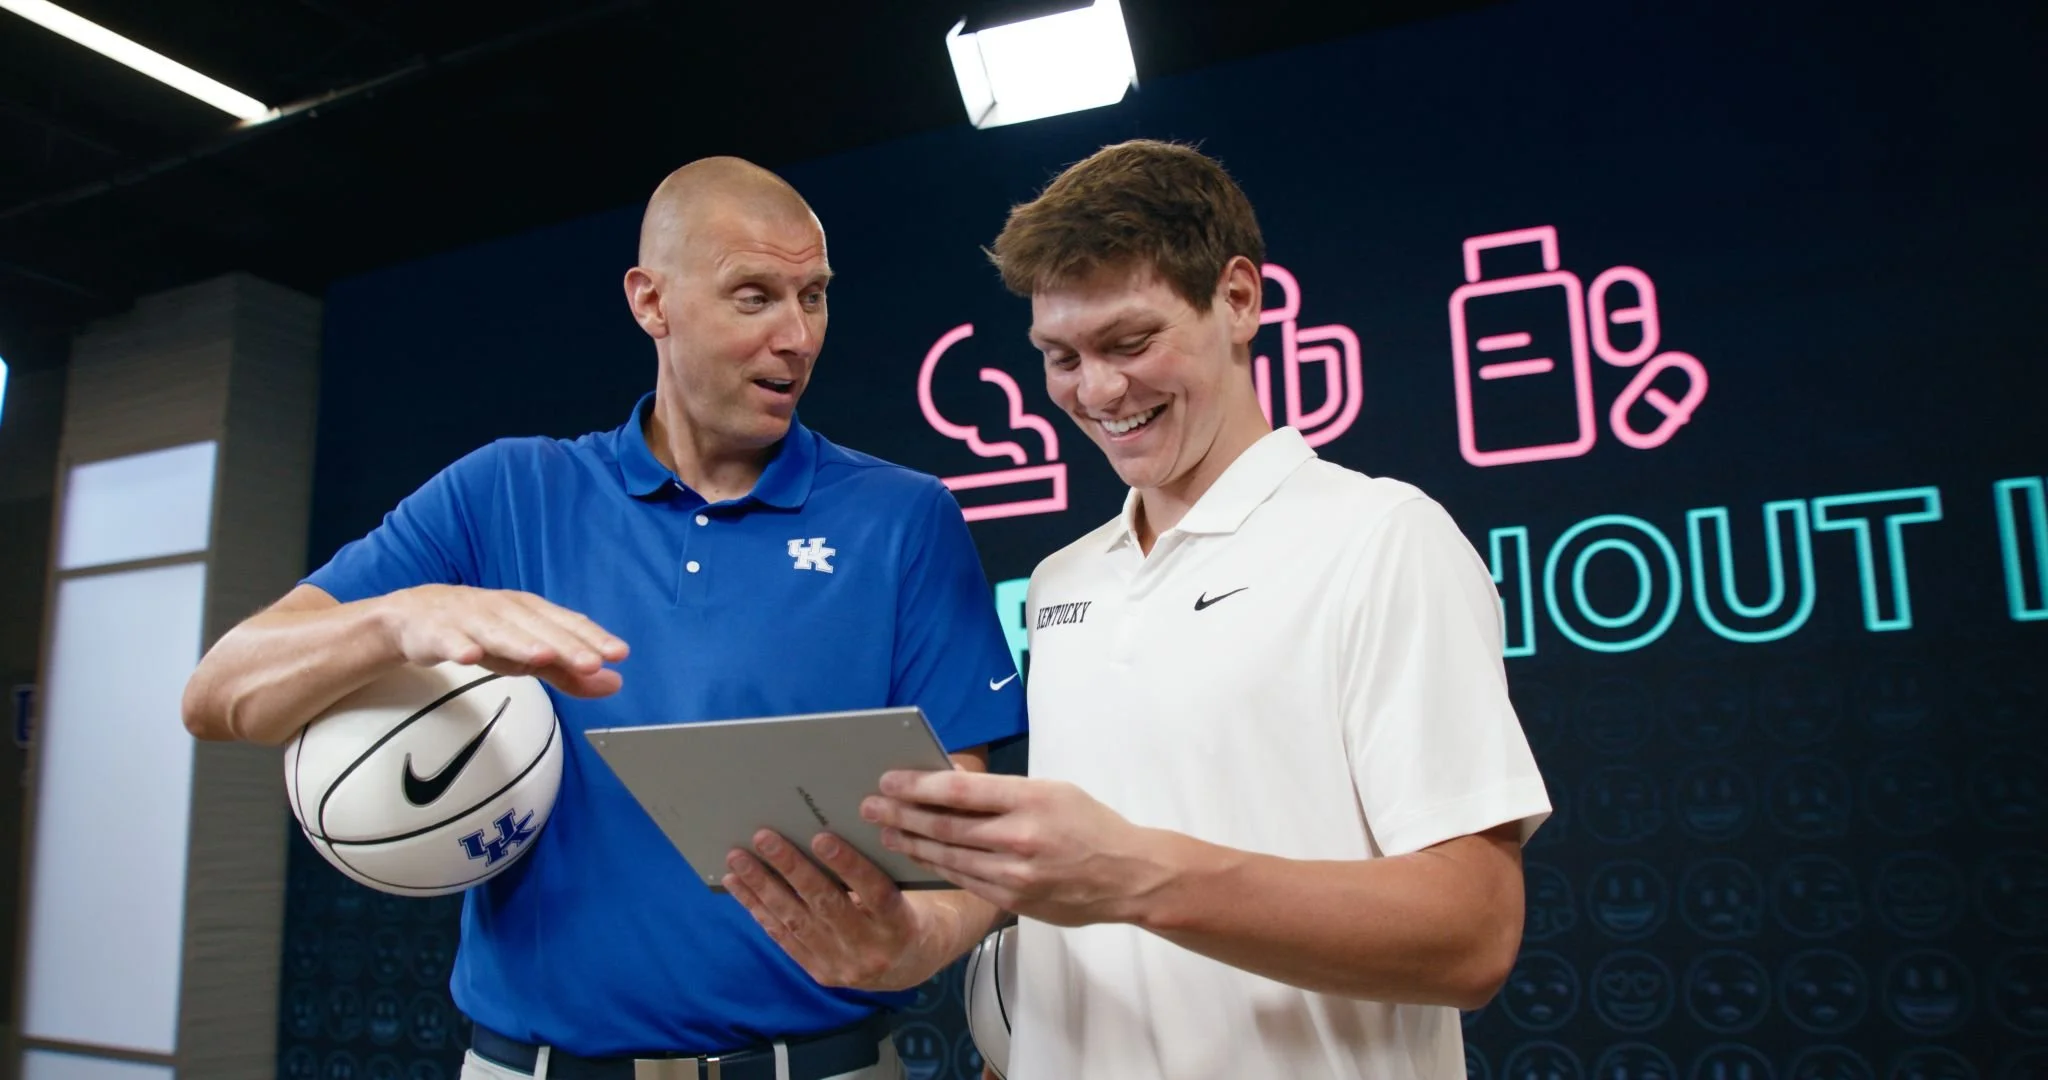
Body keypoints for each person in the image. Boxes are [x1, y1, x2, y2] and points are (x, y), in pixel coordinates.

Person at [181, 156, 1025, 1080]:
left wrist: (918, 940)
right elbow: (223, 693)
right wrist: (402, 620)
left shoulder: (904, 517)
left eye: (814, 296)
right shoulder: (506, 492)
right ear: (650, 301)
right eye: (754, 297)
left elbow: (966, 831)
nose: (798, 337)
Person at [850, 140, 1553, 1079]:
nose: (1097, 391)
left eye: (1130, 343)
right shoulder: (1064, 580)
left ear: (1238, 299)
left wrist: (1136, 874)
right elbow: (1076, 938)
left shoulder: (1382, 537)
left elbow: (1472, 935)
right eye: (1061, 357)